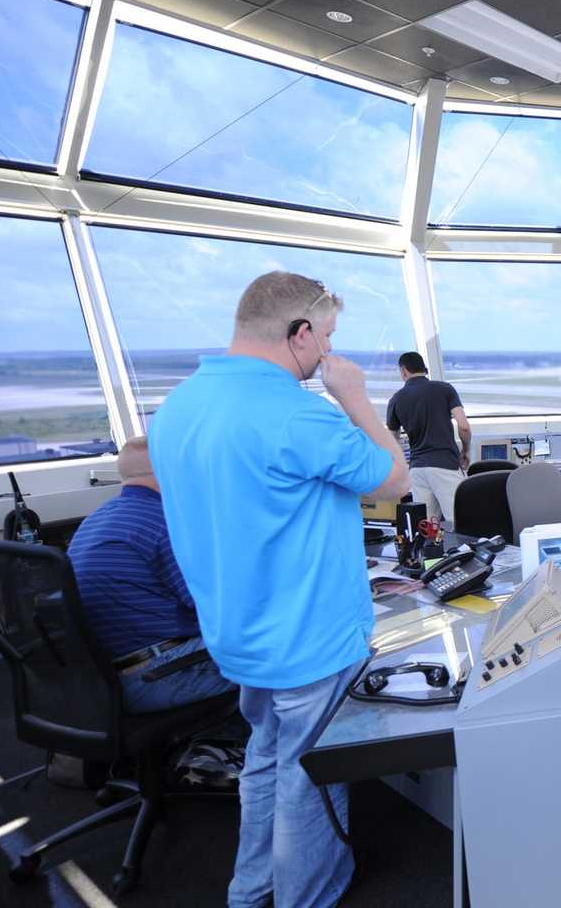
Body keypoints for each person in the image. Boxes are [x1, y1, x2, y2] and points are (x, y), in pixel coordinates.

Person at [150, 271, 410, 908]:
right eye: (325, 338)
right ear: (298, 334)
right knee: (307, 779)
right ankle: (307, 897)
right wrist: (355, 398)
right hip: (309, 640)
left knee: (264, 760)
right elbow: (395, 479)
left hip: (240, 636)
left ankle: (251, 888)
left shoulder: (178, 406)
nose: (327, 353)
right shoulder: (297, 412)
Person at [68, 437, 236, 713]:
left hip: (106, 681)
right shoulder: (166, 524)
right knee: (304, 650)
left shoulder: (95, 520)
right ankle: (222, 750)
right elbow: (222, 609)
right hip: (160, 674)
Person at [385, 351, 471, 529]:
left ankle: (431, 558)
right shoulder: (444, 389)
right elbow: (463, 426)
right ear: (424, 369)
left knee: (427, 529)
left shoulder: (396, 399)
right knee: (461, 525)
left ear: (403, 371)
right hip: (445, 465)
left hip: (417, 470)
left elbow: (393, 442)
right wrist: (466, 450)